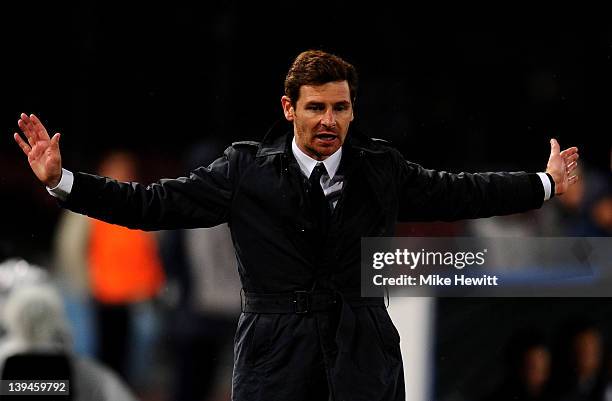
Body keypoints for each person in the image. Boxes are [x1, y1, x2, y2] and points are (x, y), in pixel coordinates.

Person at [13, 50, 580, 401]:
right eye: (316, 108)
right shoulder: (242, 170)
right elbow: (151, 205)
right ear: (289, 108)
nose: (329, 121)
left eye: (340, 108)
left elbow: (462, 192)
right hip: (274, 357)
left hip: (363, 355)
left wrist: (545, 183)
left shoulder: (381, 168)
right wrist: (65, 181)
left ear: (354, 110)